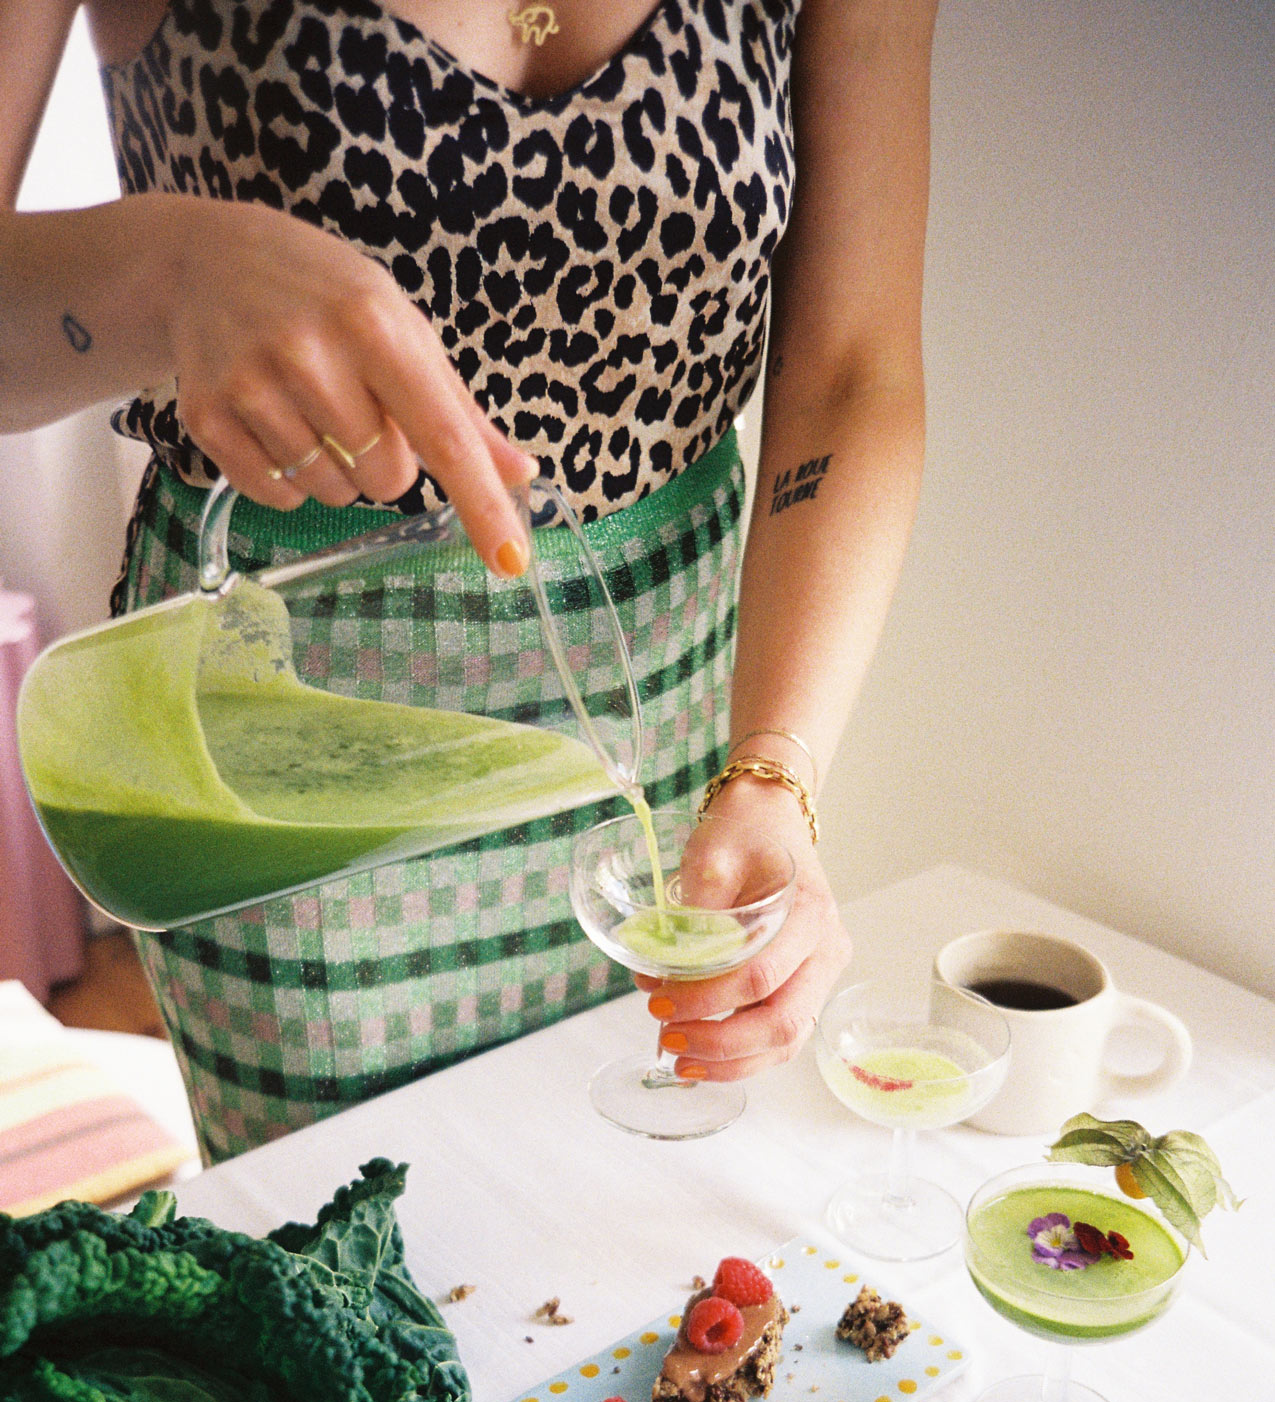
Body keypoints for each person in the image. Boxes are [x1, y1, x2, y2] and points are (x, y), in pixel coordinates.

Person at [1, 0, 937, 1163]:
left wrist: (776, 774)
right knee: (351, 1259)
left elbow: (853, 369)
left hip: (678, 706)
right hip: (287, 737)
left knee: (629, 1248)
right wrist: (167, 274)